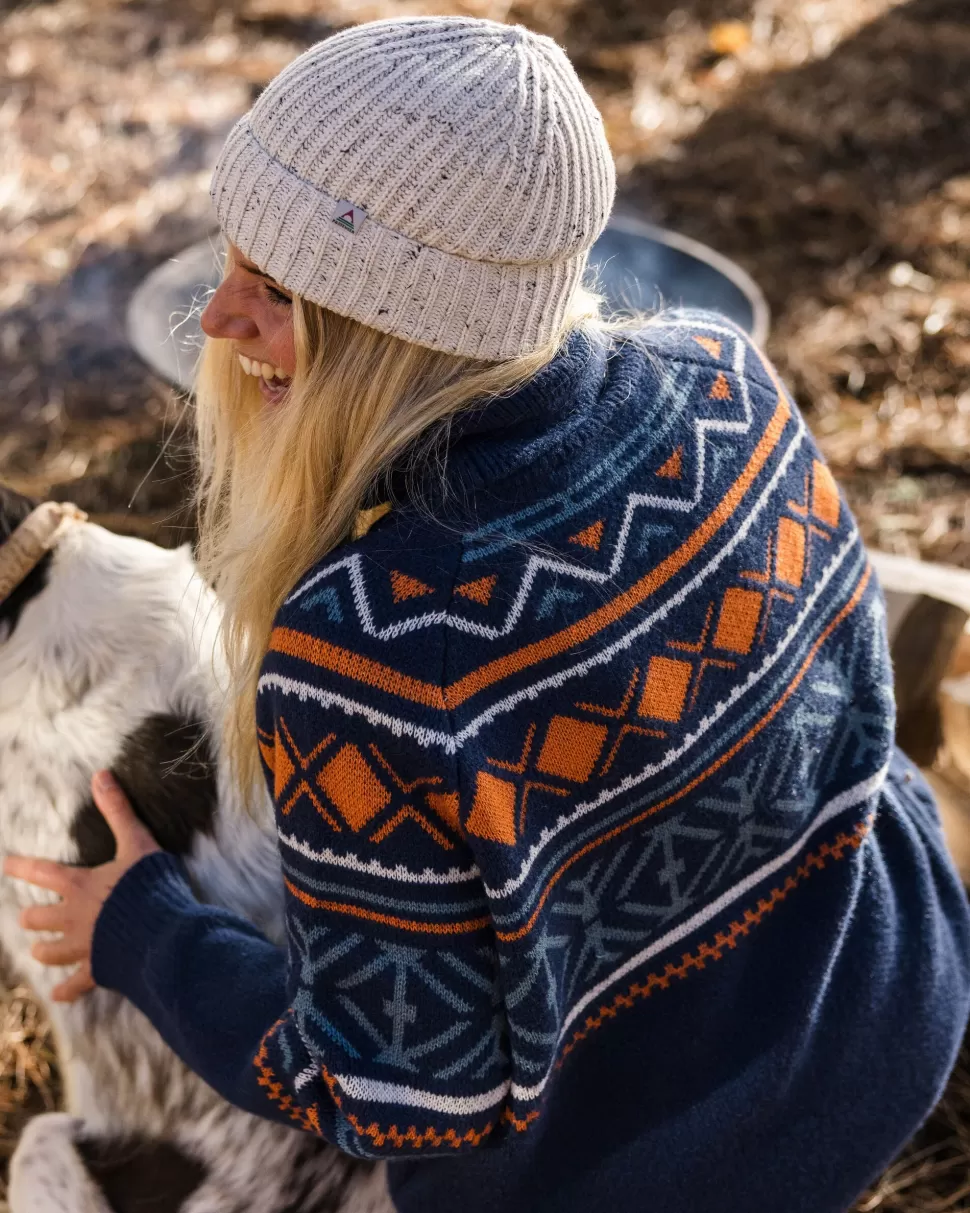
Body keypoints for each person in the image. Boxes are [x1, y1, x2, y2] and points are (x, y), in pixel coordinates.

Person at [6, 15, 970, 1213]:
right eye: (229, 264)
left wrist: (148, 935)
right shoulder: (722, 374)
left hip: (683, 1168)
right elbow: (854, 725)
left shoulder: (370, 646)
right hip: (891, 994)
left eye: (272, 290)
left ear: (398, 328)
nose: (217, 320)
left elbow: (398, 1088)